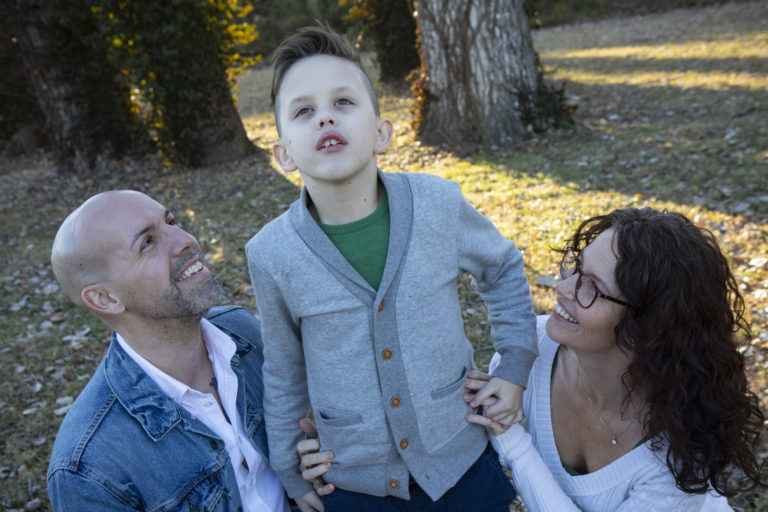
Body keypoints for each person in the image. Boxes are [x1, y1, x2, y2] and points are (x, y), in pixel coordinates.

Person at [245, 25, 536, 512]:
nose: (324, 119)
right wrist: (292, 473)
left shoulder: (438, 204)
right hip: (355, 484)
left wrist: (515, 365)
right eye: (303, 111)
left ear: (382, 132)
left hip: (461, 460)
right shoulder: (271, 253)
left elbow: (502, 266)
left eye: (343, 103)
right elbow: (283, 368)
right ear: (284, 155)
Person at [301, 207, 766, 510]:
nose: (561, 290)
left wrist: (512, 438)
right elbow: (444, 425)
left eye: (592, 287)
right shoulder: (531, 348)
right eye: (575, 269)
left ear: (650, 328)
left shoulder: (680, 456)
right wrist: (339, 450)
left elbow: (501, 436)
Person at [47, 190, 299, 511]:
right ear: (106, 299)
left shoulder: (241, 331)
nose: (185, 240)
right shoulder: (90, 468)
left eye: (171, 221)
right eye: (148, 243)